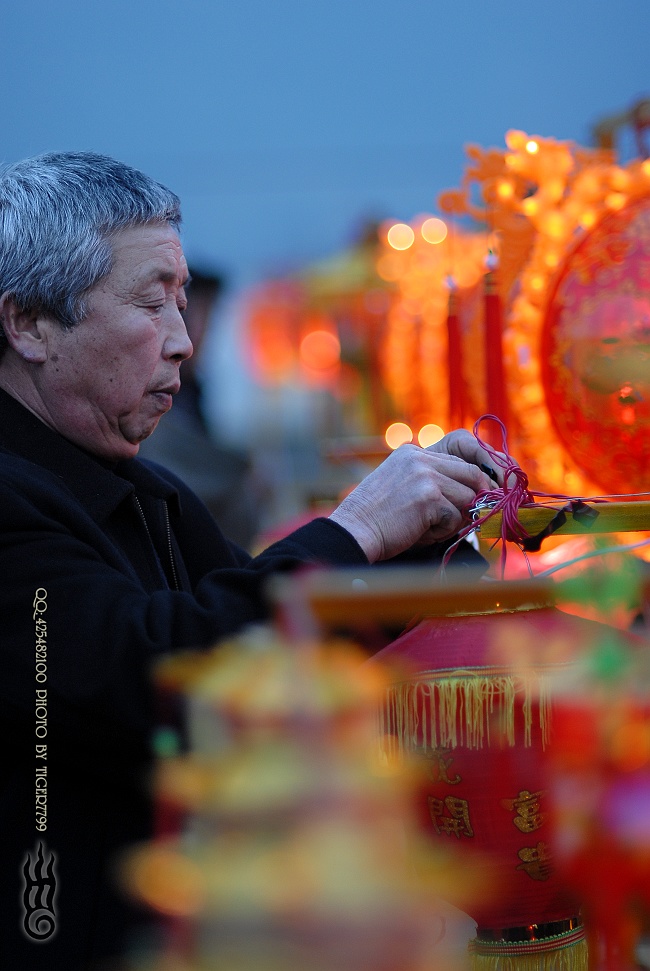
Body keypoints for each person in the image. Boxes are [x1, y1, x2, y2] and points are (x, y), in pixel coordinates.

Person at [0, 151, 499, 970]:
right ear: (29, 325)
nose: (183, 342)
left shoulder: (152, 495)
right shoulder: (14, 498)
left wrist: (425, 554)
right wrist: (357, 530)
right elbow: (154, 673)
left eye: (183, 301)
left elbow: (257, 631)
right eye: (149, 302)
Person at [138, 267, 263, 549]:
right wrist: (241, 472)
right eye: (193, 316)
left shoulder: (193, 388)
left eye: (210, 320)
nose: (198, 336)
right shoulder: (153, 394)